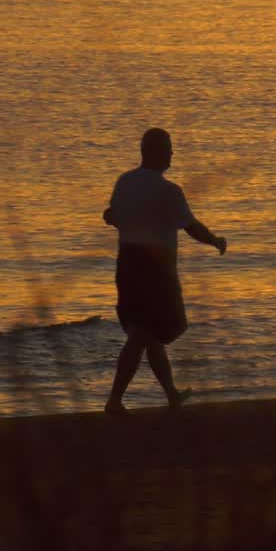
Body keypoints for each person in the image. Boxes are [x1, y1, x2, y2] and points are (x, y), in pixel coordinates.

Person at [103, 128, 227, 415]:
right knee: (146, 333)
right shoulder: (169, 191)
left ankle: (171, 394)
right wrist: (215, 241)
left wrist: (114, 217)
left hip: (126, 264)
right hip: (156, 269)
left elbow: (113, 216)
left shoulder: (125, 181)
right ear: (158, 153)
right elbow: (191, 226)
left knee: (149, 334)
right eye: (169, 148)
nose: (172, 153)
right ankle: (114, 400)